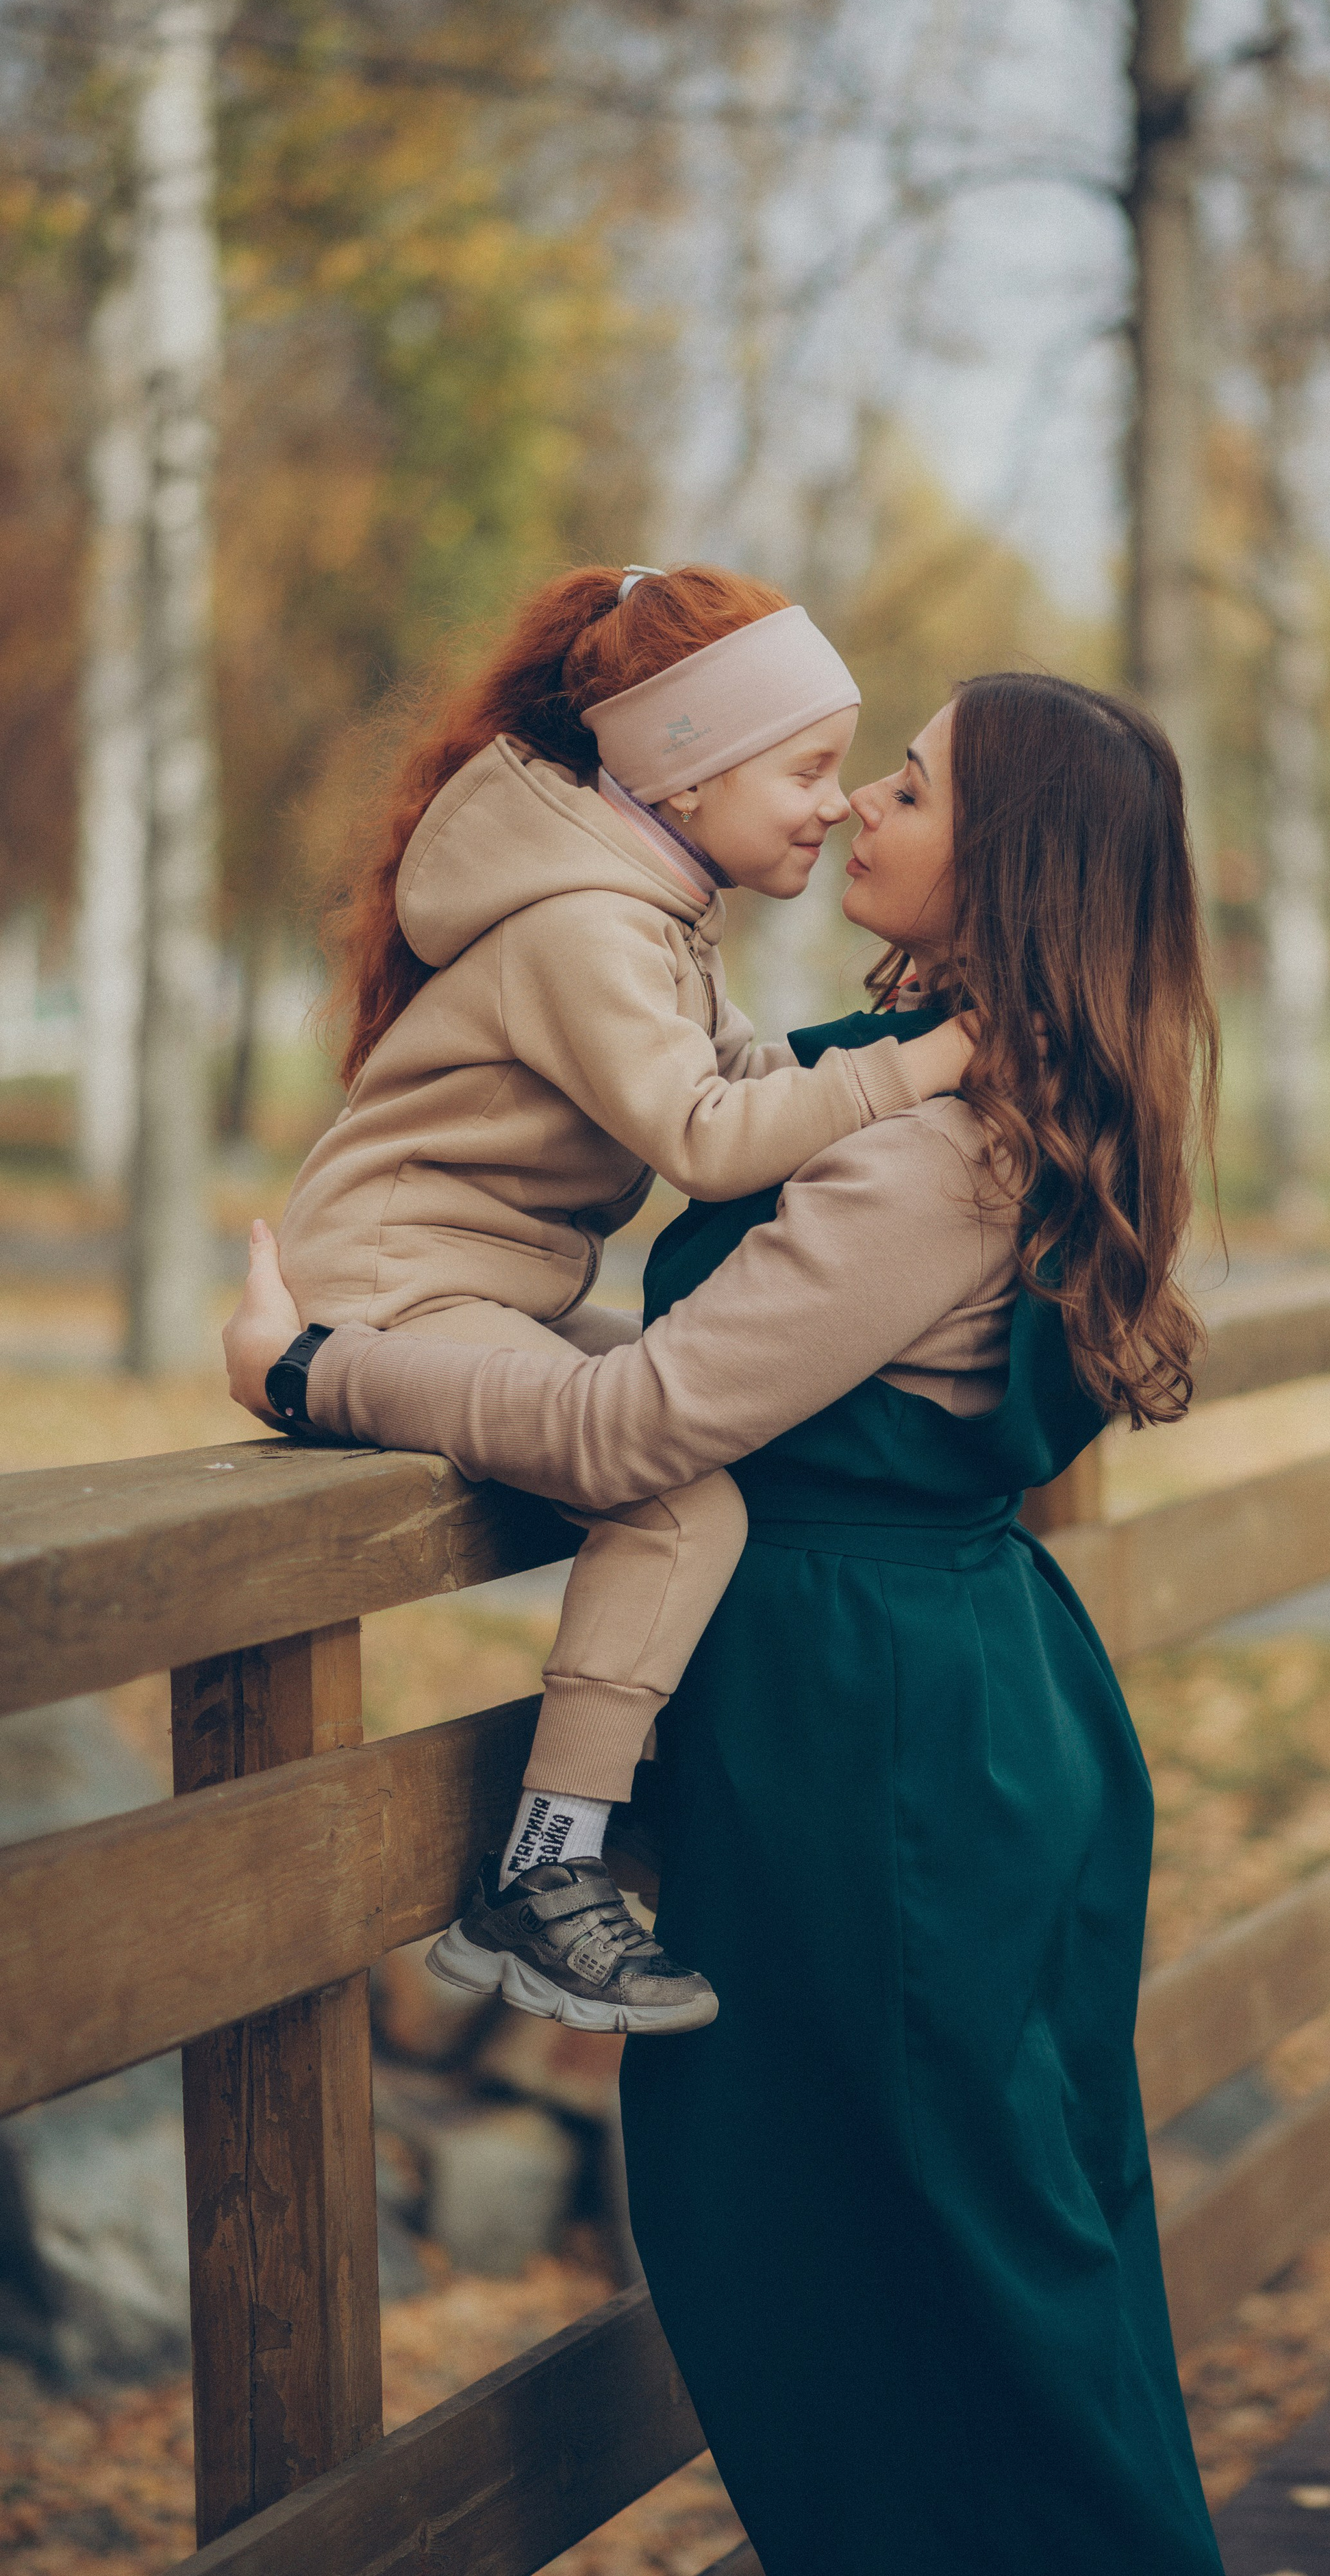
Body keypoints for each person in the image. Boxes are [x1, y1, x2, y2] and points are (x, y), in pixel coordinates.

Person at [228, 669, 1226, 2576]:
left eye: (911, 789)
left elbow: (651, 1423)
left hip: (884, 1751)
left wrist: (328, 1372)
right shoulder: (930, 1075)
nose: (861, 808)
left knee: (932, 2284)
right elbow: (726, 1379)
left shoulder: (942, 1146)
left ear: (1001, 864)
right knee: (960, 2253)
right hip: (928, 1706)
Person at [260, 561, 973, 2034]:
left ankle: (611, 1773)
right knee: (676, 1494)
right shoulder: (588, 926)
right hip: (399, 1283)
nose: (834, 805)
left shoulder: (648, 908)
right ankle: (546, 1865)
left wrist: (891, 1092)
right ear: (684, 767)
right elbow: (705, 1138)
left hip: (479, 1285)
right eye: (806, 769)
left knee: (685, 1430)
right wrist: (918, 1069)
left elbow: (748, 1082)